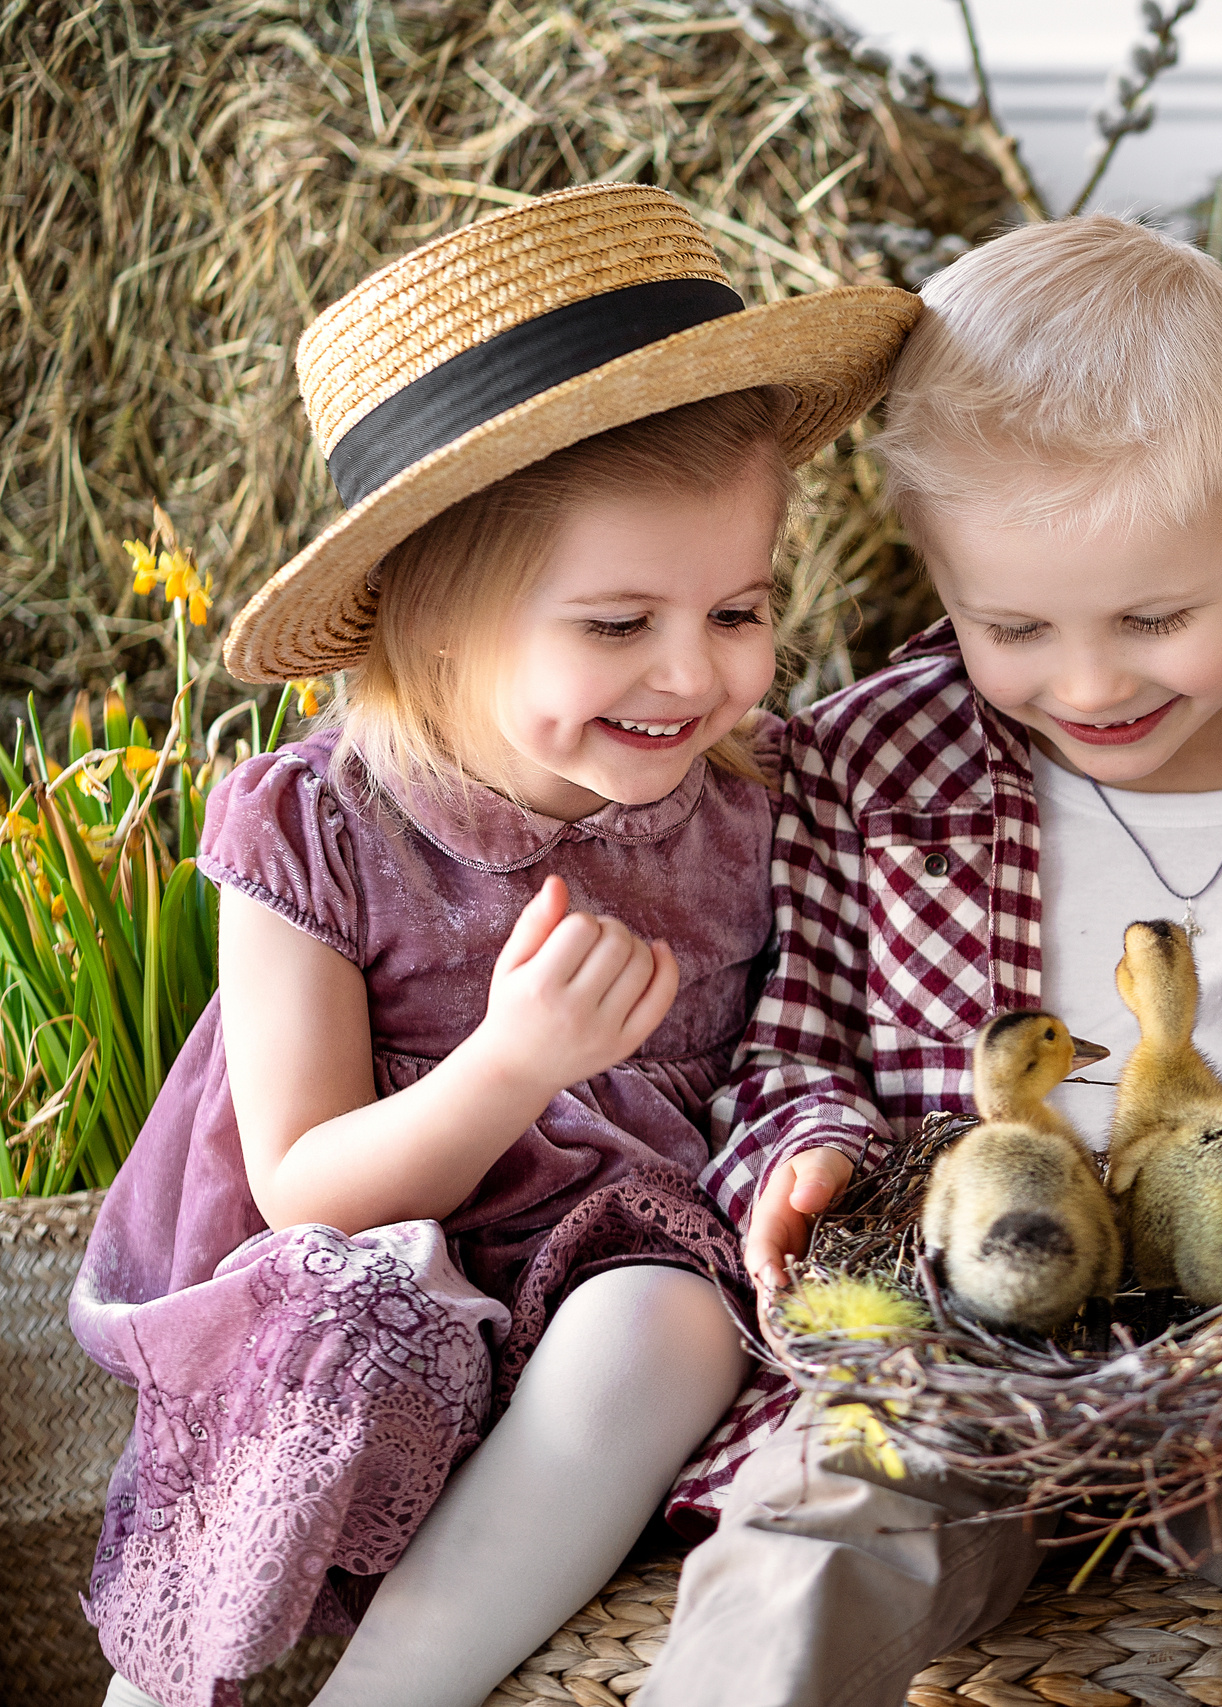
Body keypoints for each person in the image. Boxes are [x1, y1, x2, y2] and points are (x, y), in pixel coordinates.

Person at [646, 215, 1222, 1707]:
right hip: (970, 1353)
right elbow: (792, 1041)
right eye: (1012, 625)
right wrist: (805, 1152)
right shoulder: (872, 768)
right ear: (928, 560)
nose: (1088, 684)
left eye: (1158, 617)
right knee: (804, 1535)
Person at [68, 185, 917, 1707]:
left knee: (668, 1316)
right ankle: (178, 1680)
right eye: (614, 625)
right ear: (435, 620)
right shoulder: (317, 830)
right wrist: (514, 1062)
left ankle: (392, 1692)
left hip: (618, 1291)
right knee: (332, 1326)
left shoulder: (759, 800)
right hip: (385, 1276)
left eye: (740, 606)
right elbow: (304, 1185)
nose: (693, 670)